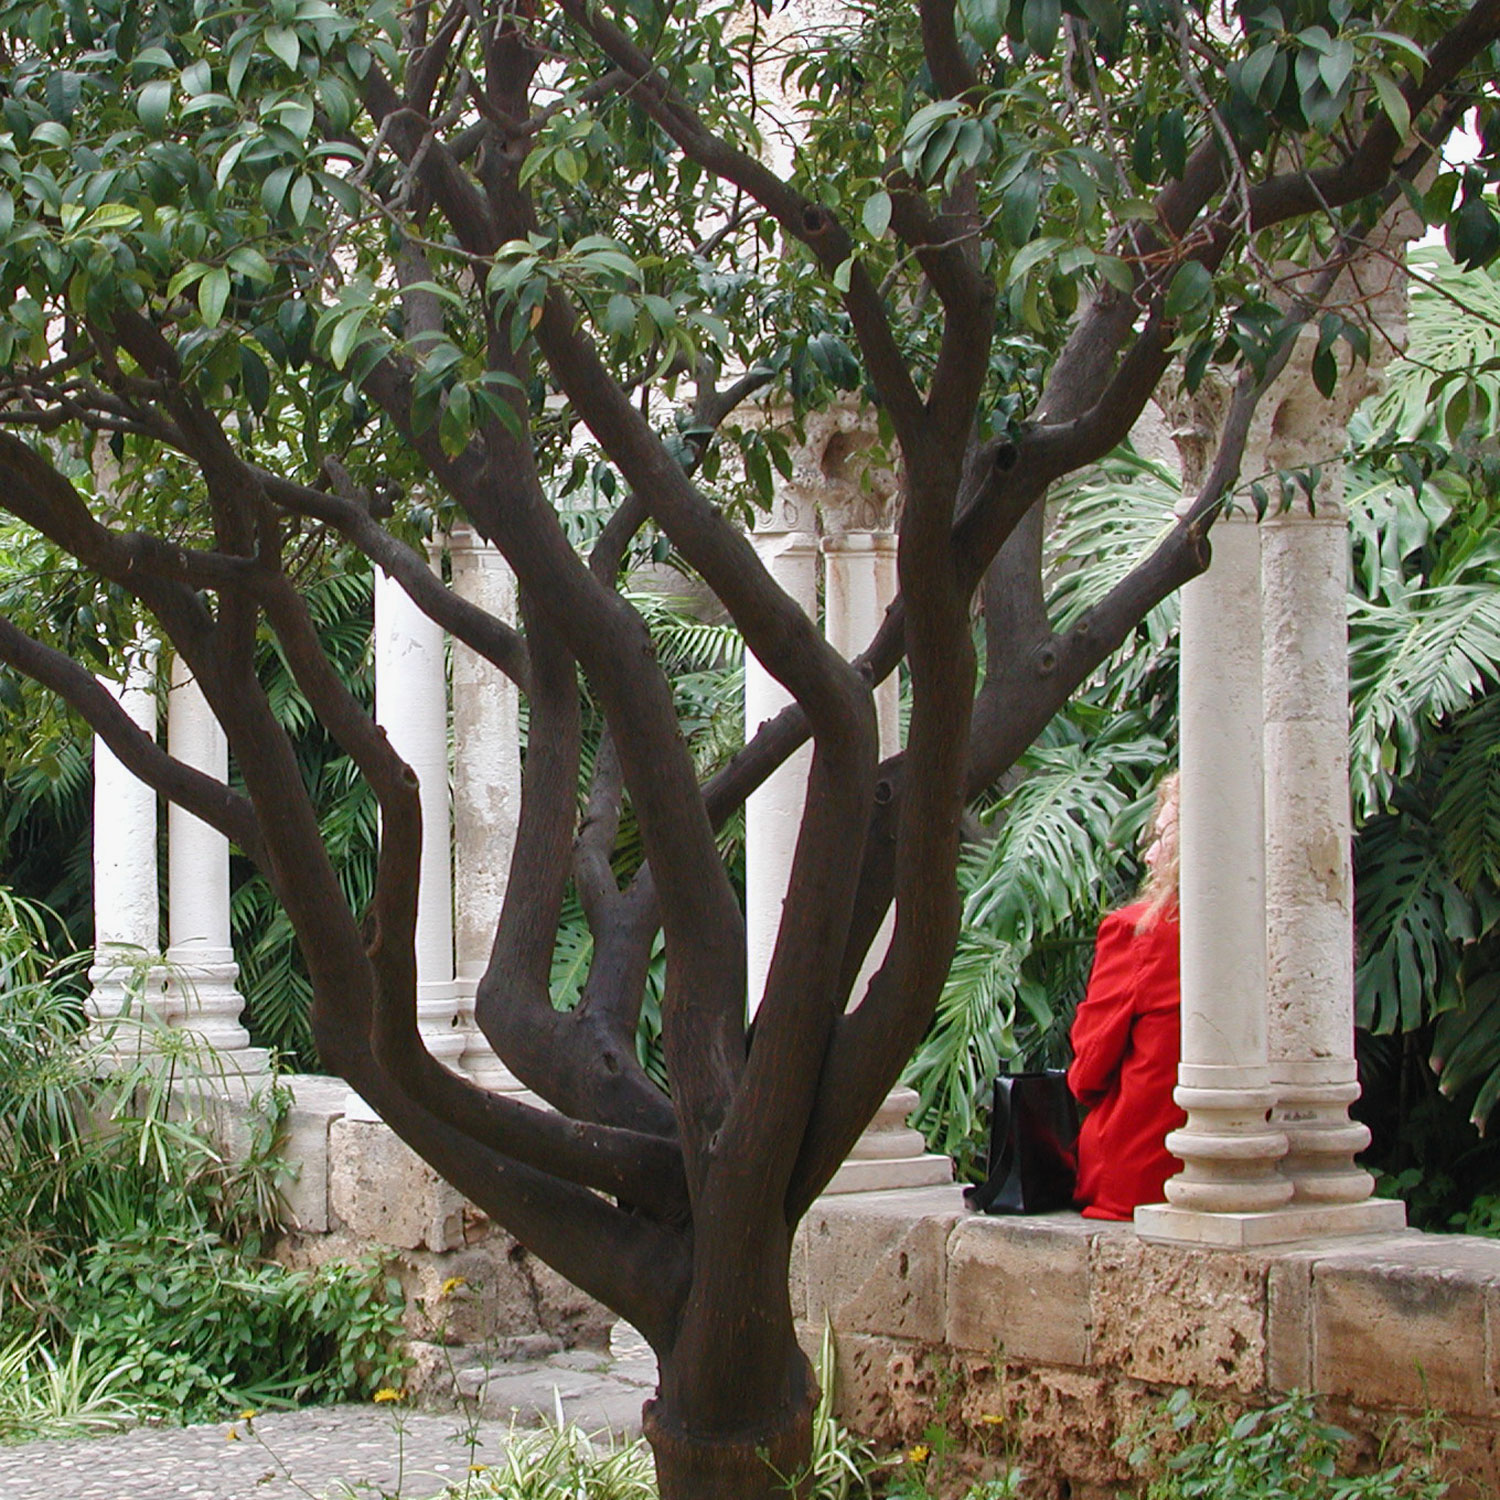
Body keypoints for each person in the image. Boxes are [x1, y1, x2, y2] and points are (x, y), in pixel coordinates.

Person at [1066, 774, 1186, 1221]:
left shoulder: (1143, 933)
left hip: (1139, 1176)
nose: (1151, 855)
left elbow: (1086, 1073)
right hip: (1250, 1172)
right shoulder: (1269, 936)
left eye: (1165, 838)